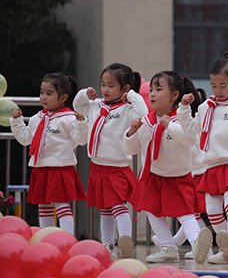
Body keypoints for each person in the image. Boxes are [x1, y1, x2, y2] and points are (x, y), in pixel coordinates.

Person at [178, 54, 228, 264]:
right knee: (212, 209)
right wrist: (184, 109)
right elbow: (191, 131)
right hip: (212, 165)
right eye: (214, 85)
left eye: (223, 85)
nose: (218, 90)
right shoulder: (206, 107)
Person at [124, 71, 203, 263]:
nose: (152, 94)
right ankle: (168, 246)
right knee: (151, 210)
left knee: (186, 213)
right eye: (151, 89)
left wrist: (170, 127)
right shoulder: (147, 120)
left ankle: (199, 245)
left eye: (159, 89)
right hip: (152, 175)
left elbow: (189, 140)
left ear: (174, 95)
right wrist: (131, 132)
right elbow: (132, 149)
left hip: (178, 175)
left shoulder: (181, 119)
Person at [73, 63, 147, 257]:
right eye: (103, 84)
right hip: (98, 166)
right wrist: (83, 94)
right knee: (104, 208)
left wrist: (131, 96)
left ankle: (125, 241)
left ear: (124, 89)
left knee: (118, 206)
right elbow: (77, 106)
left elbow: (143, 113)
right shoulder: (96, 105)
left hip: (117, 166)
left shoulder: (128, 108)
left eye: (110, 85)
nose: (105, 89)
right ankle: (107, 244)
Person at [10, 72, 87, 235]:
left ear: (63, 97)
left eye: (49, 93)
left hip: (61, 168)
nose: (43, 97)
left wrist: (81, 124)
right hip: (40, 168)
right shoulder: (36, 118)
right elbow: (25, 139)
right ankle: (47, 238)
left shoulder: (69, 118)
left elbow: (80, 140)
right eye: (42, 92)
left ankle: (67, 239)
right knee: (43, 206)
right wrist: (17, 122)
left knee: (62, 206)